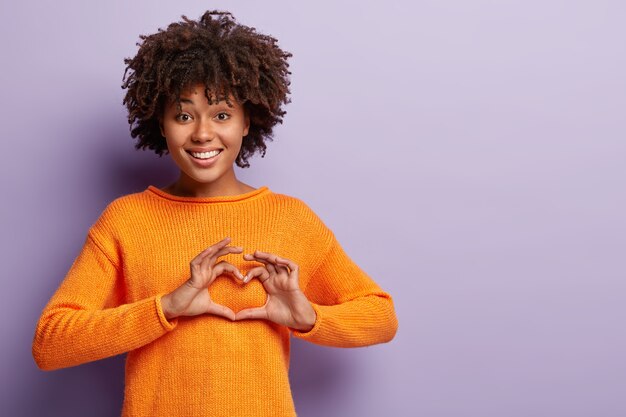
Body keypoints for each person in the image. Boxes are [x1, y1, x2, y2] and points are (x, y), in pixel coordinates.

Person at [32, 10, 398, 417]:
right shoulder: (126, 220)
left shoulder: (290, 218)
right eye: (184, 115)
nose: (203, 133)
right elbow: (50, 343)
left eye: (221, 114)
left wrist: (308, 317)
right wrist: (166, 307)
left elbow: (381, 315)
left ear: (247, 121)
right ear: (162, 122)